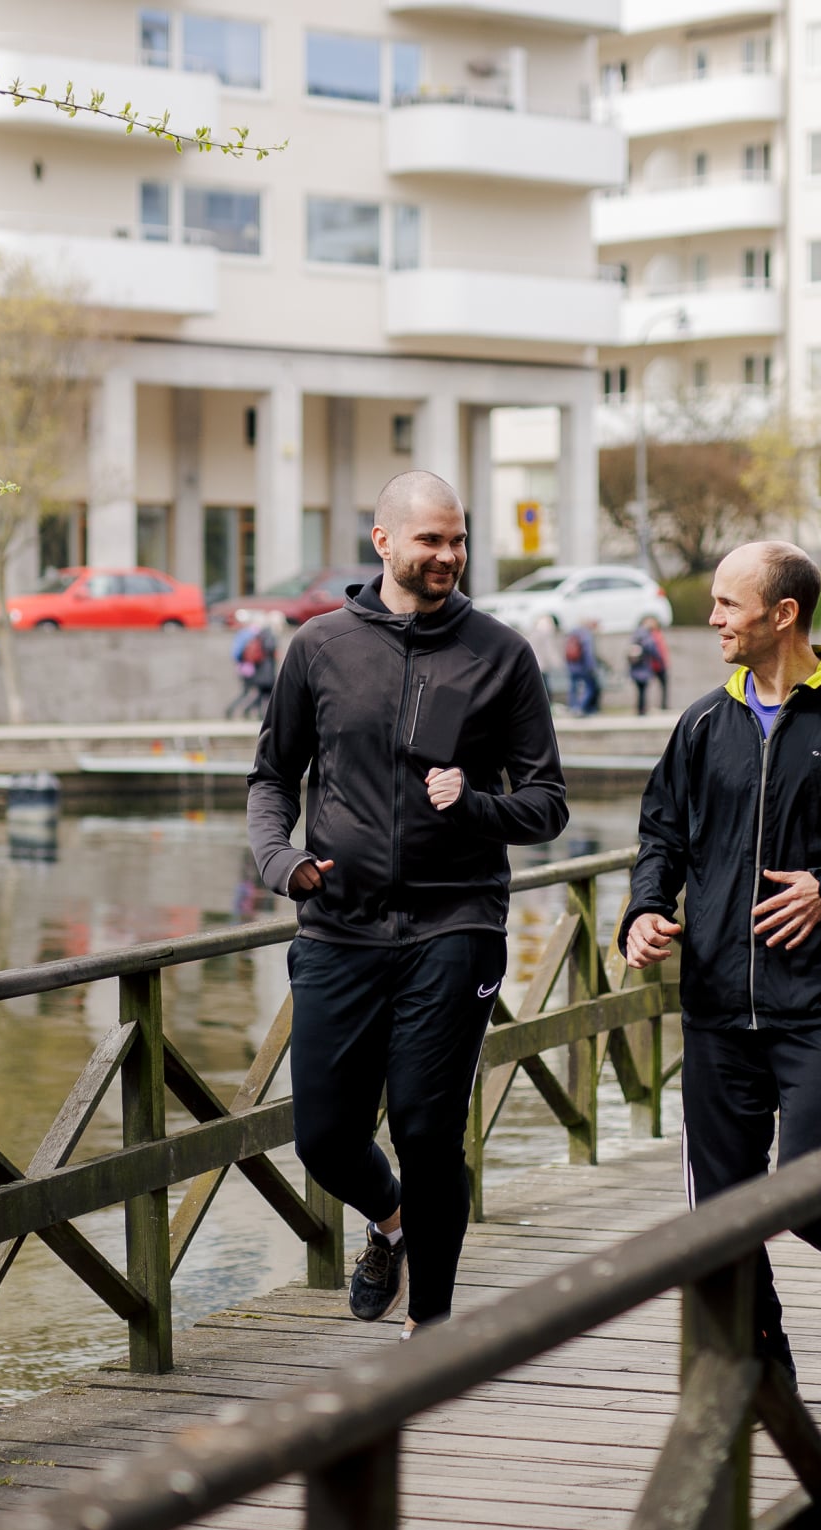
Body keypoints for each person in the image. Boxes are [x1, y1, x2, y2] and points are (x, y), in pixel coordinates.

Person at [247, 471, 568, 1340]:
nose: (449, 557)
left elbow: (546, 804)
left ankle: (431, 1325)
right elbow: (274, 776)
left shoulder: (500, 654)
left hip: (455, 923)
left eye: (458, 540)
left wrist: (473, 802)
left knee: (428, 1127)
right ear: (384, 541)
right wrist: (279, 860)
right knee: (322, 1137)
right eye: (431, 540)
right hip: (339, 926)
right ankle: (391, 1223)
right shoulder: (318, 648)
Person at [619, 540, 821, 1385]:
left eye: (729, 603)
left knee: (814, 1192)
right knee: (721, 1220)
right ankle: (764, 1380)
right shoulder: (699, 723)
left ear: (783, 614)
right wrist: (646, 909)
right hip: (718, 1009)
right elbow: (661, 834)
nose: (713, 618)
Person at [227, 615, 271, 718]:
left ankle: (249, 711)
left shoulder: (241, 634)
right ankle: (233, 709)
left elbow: (236, 654)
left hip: (243, 667)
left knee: (252, 691)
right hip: (250, 668)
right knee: (249, 692)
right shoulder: (252, 634)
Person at [627, 615, 669, 716]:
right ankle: (642, 710)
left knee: (640, 690)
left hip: (635, 667)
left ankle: (640, 709)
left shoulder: (636, 634)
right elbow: (651, 648)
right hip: (643, 667)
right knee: (643, 690)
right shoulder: (646, 634)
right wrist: (659, 659)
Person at [564, 620, 601, 716]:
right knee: (589, 688)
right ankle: (580, 708)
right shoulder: (586, 635)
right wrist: (592, 667)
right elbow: (588, 653)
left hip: (572, 665)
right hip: (583, 666)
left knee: (573, 688)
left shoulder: (573, 633)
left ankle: (573, 707)